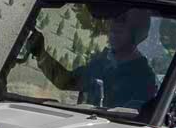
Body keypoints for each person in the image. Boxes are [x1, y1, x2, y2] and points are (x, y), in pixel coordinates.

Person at [28, 7, 157, 110]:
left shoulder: (144, 79)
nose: (112, 35)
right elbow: (66, 81)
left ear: (136, 35)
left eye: (119, 32)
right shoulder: (102, 63)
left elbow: (136, 123)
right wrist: (41, 54)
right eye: (112, 30)